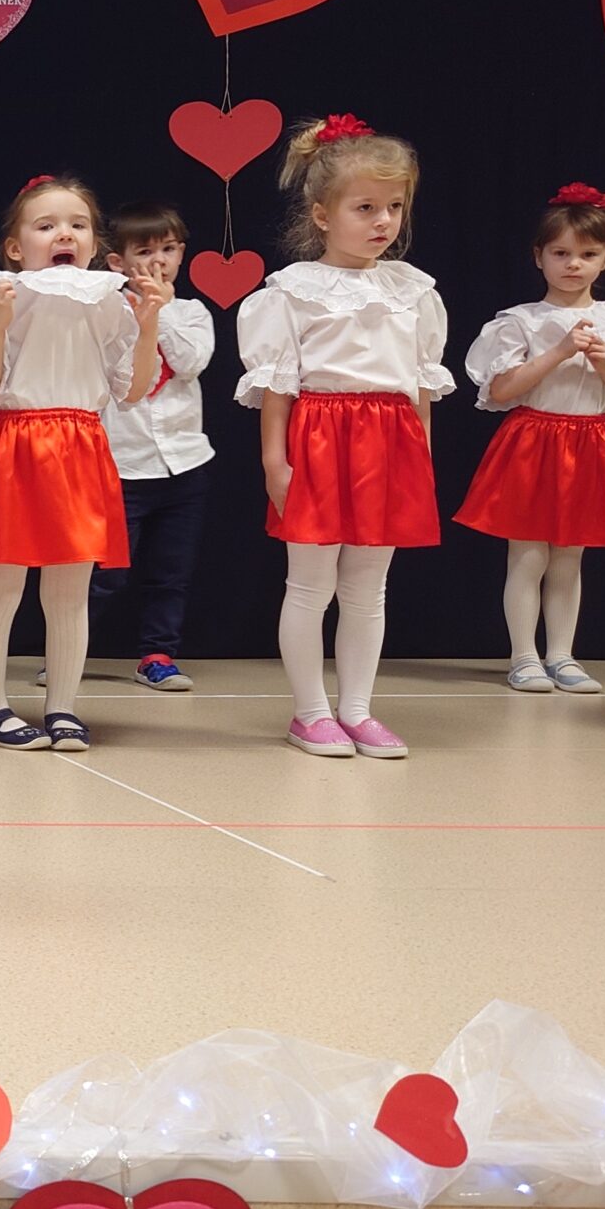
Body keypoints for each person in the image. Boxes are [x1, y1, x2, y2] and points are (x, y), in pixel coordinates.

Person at [234, 115, 446, 759]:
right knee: (310, 584)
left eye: (394, 207)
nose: (383, 221)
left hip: (391, 443)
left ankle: (357, 709)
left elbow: (420, 386)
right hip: (321, 438)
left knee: (367, 587)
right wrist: (275, 462)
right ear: (323, 215)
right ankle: (311, 712)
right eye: (365, 208)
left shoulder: (413, 291)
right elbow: (277, 387)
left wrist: (421, 456)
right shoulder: (292, 292)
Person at [0, 175, 167, 751]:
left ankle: (62, 707)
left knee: (68, 594)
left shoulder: (110, 305)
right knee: (1, 590)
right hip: (15, 447)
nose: (65, 233)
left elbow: (133, 390)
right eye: (46, 225)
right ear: (16, 248)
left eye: (78, 224)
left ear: (94, 242)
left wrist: (148, 327)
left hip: (81, 450)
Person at [454, 183, 605, 694]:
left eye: (587, 254)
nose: (573, 264)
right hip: (533, 440)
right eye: (560, 253)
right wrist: (557, 352)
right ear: (539, 256)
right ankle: (523, 657)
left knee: (570, 557)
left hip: (589, 442)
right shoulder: (521, 321)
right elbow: (502, 390)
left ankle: (562, 655)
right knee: (528, 556)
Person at [87, 204, 216, 691]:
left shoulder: (192, 313)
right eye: (144, 252)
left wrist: (159, 313)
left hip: (185, 464)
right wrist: (141, 314)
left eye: (169, 249)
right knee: (104, 574)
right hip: (121, 465)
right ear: (117, 262)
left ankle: (158, 656)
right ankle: (66, 651)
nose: (159, 261)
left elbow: (190, 363)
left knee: (171, 573)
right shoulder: (104, 313)